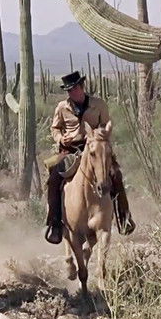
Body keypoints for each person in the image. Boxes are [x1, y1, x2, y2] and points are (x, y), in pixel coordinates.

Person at [44, 71, 136, 244]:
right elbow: (55, 128)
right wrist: (61, 138)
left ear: (82, 87)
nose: (72, 92)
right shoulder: (62, 107)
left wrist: (95, 137)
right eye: (69, 90)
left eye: (74, 88)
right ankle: (55, 223)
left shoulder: (98, 104)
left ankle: (124, 217)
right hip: (69, 150)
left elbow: (106, 126)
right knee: (54, 177)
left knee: (116, 174)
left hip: (96, 149)